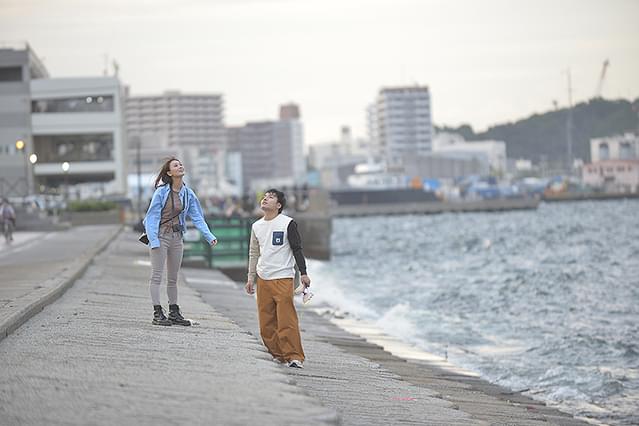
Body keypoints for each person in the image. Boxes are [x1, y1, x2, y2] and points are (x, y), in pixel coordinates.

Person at [143, 158, 217, 326]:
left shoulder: (188, 193)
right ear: (169, 173)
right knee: (156, 276)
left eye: (181, 164)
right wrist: (153, 240)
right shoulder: (161, 192)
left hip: (177, 238)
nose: (180, 166)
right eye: (176, 165)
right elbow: (152, 217)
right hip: (160, 236)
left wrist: (209, 236)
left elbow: (197, 217)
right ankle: (157, 312)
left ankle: (174, 312)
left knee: (173, 278)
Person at [245, 189, 311, 368]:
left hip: (283, 277)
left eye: (271, 197)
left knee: (286, 320)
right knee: (266, 323)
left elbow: (297, 249)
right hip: (263, 278)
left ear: (279, 205)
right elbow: (253, 252)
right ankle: (278, 355)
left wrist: (303, 273)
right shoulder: (256, 226)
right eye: (265, 196)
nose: (265, 198)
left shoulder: (288, 223)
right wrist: (251, 278)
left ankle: (294, 356)